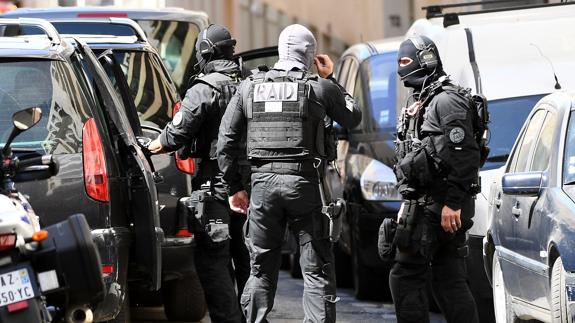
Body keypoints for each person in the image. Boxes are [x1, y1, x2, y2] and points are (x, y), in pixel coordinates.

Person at [217, 24, 361, 323]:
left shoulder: (249, 86)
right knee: (316, 269)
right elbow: (352, 115)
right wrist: (330, 77)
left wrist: (234, 188)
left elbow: (226, 141)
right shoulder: (319, 87)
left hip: (262, 187)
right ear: (309, 53)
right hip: (306, 186)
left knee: (259, 269)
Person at [148, 23, 246, 323]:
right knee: (248, 258)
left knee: (214, 260)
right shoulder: (252, 83)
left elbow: (175, 135)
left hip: (216, 186)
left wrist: (147, 147)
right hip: (253, 186)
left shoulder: (204, 88)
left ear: (204, 53)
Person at [390, 35, 481, 323]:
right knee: (448, 278)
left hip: (440, 205)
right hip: (425, 202)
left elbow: (465, 155)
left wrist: (452, 203)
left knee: (406, 276)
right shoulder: (421, 99)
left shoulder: (447, 101)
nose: (401, 68)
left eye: (405, 61)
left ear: (426, 59)